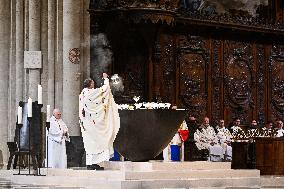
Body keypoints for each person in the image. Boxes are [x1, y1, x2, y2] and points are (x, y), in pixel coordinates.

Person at [79, 73, 120, 170]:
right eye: (93, 83)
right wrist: (106, 79)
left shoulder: (82, 94)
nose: (94, 84)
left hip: (86, 123)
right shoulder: (91, 93)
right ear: (91, 84)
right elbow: (104, 90)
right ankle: (93, 162)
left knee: (90, 143)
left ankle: (90, 163)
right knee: (97, 141)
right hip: (94, 124)